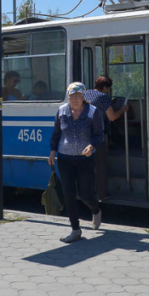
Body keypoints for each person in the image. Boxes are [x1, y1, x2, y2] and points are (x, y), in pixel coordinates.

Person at [48, 82, 103, 243]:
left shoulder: (93, 112)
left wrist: (92, 146)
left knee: (85, 193)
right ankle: (75, 230)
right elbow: (56, 133)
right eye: (72, 96)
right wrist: (52, 152)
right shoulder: (61, 111)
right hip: (65, 159)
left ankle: (96, 209)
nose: (74, 99)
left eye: (78, 96)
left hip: (85, 159)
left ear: (84, 97)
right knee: (69, 194)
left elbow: (99, 135)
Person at [84, 76, 129, 205]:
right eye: (107, 89)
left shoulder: (86, 93)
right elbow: (112, 117)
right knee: (100, 165)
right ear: (104, 87)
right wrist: (122, 109)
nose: (107, 91)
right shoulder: (103, 98)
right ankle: (102, 194)